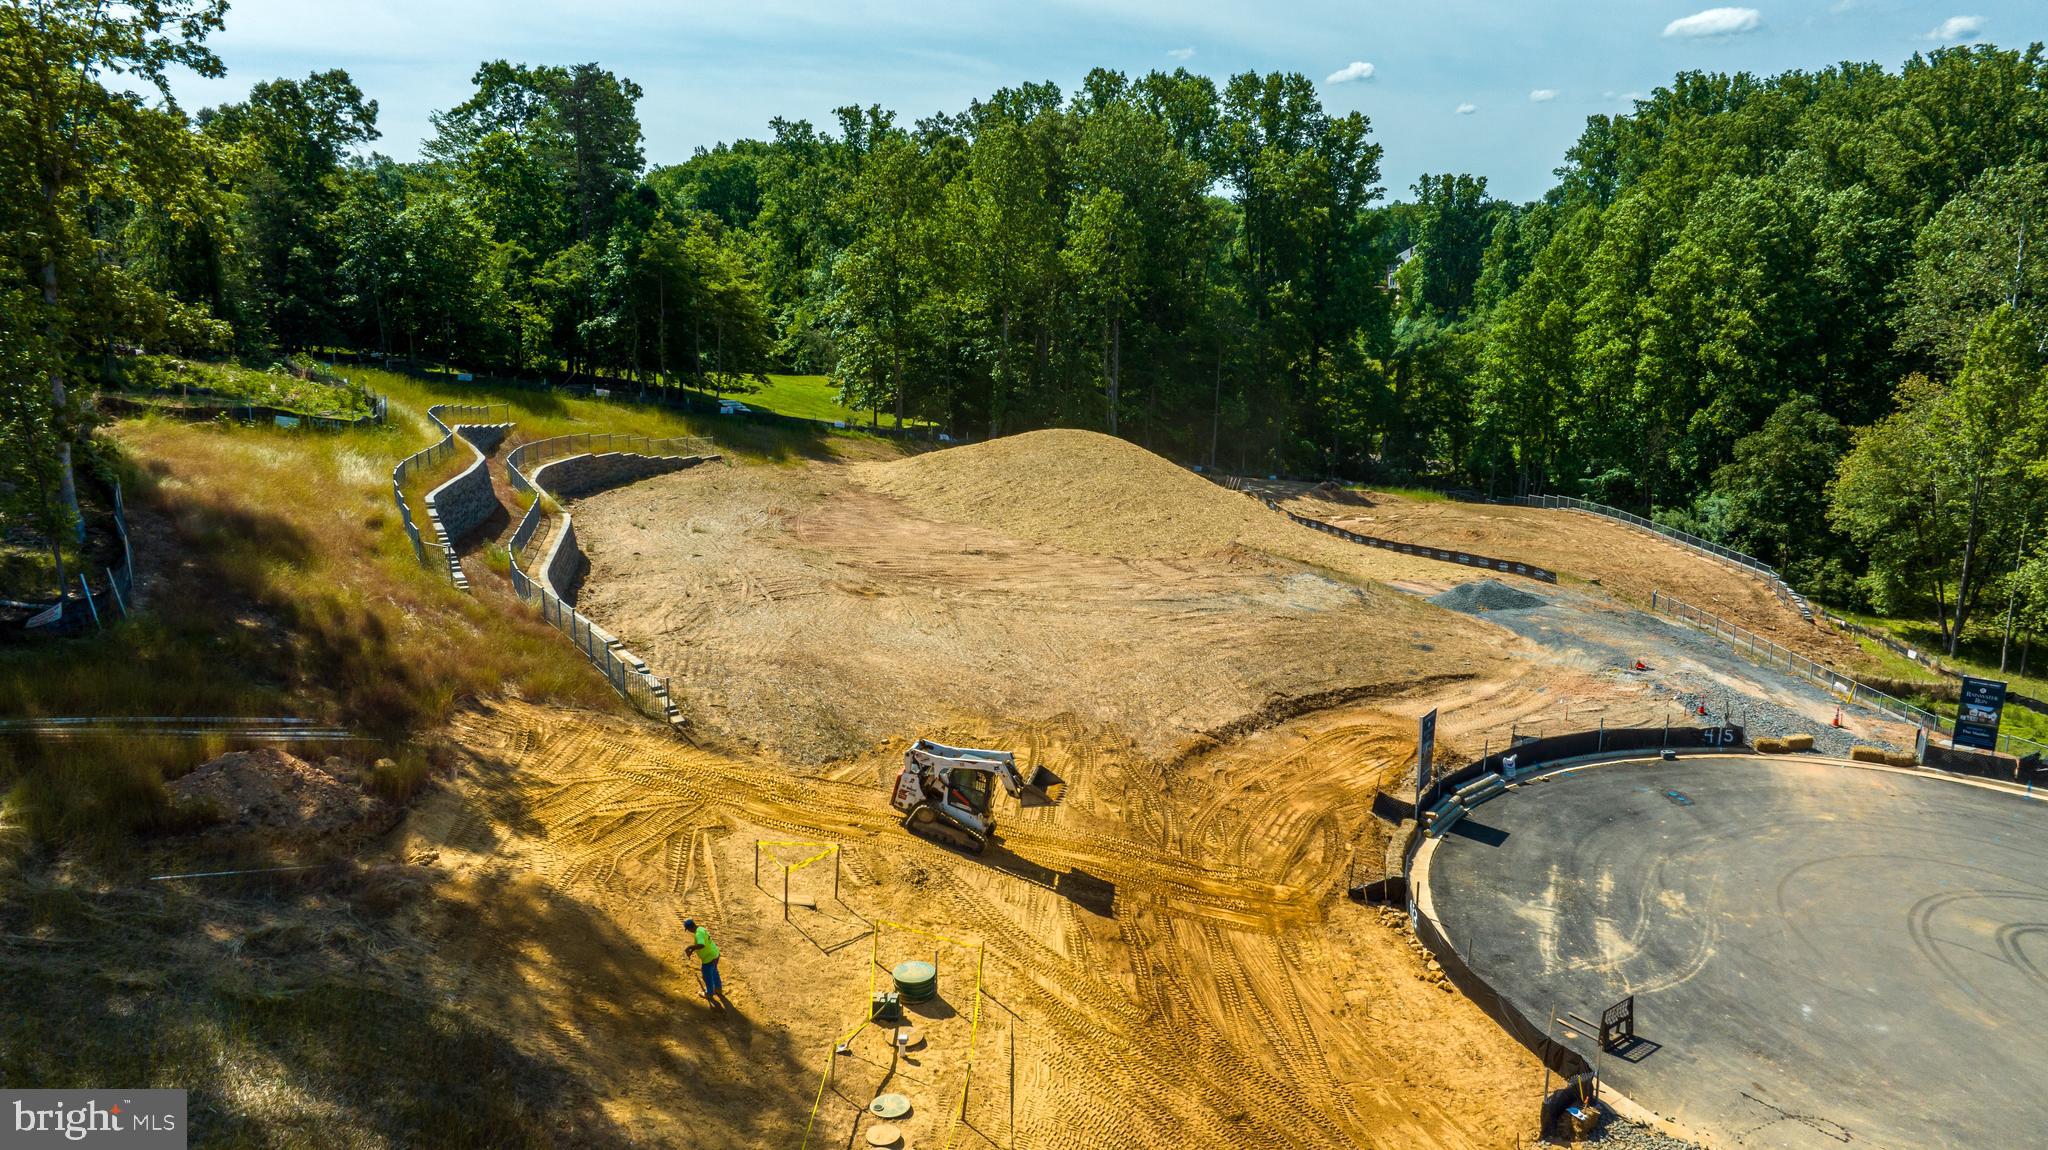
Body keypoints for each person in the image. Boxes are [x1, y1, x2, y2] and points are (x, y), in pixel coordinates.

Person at [682, 917, 723, 1001]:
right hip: (715, 954)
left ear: (689, 928)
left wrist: (690, 947)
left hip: (709, 958)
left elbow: (701, 945)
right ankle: (718, 989)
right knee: (714, 971)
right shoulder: (701, 929)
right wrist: (692, 950)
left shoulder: (698, 934)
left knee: (707, 976)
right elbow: (701, 944)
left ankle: (709, 993)